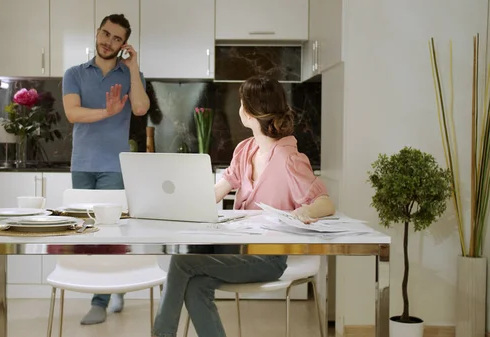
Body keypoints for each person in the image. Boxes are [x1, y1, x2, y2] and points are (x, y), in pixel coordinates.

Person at [151, 75, 335, 337]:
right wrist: (178, 204)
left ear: (249, 113)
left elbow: (325, 202)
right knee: (196, 286)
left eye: (240, 103)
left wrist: (302, 211)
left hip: (267, 257)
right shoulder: (245, 150)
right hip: (236, 249)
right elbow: (220, 189)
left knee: (181, 262)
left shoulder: (289, 159)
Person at [62, 13, 150, 325]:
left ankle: (100, 300)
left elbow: (140, 108)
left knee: (109, 233)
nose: (108, 41)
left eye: (116, 38)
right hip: (83, 164)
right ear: (97, 32)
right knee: (86, 234)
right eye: (105, 34)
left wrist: (134, 68)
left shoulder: (127, 76)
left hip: (114, 166)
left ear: (123, 44)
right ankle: (106, 288)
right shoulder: (74, 74)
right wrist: (107, 112)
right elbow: (72, 113)